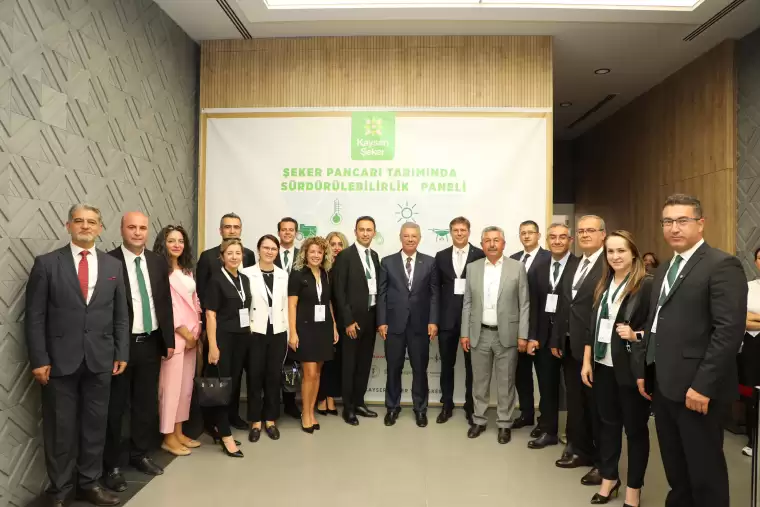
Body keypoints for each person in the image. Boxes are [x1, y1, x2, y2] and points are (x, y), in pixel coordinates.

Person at [638, 194, 746, 507]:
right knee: (676, 469)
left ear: (700, 224)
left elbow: (728, 332)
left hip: (697, 390)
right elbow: (656, 323)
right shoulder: (664, 269)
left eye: (682, 220)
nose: (674, 228)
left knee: (704, 472)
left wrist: (703, 386)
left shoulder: (721, 265)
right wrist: (646, 369)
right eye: (668, 221)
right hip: (664, 386)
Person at [25, 203, 129, 507]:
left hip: (101, 359)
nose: (85, 226)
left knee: (95, 426)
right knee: (60, 428)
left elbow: (121, 315)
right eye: (79, 221)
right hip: (58, 361)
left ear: (100, 228)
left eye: (92, 222)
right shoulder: (47, 264)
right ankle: (60, 489)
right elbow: (34, 317)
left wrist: (121, 351)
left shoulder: (113, 266)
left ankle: (89, 484)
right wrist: (39, 358)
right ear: (68, 225)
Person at [103, 212, 175, 492]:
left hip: (151, 342)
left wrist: (168, 339)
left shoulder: (157, 262)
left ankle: (140, 454)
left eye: (142, 228)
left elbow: (164, 302)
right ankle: (111, 466)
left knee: (145, 404)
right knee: (115, 408)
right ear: (121, 229)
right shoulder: (108, 261)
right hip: (120, 346)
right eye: (131, 227)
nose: (137, 232)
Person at [580, 231, 653, 507]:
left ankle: (634, 489)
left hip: (631, 370)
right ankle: (609, 478)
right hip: (602, 366)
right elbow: (593, 327)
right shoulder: (603, 284)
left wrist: (636, 335)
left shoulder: (646, 285)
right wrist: (587, 361)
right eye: (610, 251)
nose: (615, 256)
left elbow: (658, 328)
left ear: (633, 253)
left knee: (635, 431)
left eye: (621, 250)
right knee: (608, 427)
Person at [549, 215, 606, 486]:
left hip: (595, 348)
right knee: (576, 402)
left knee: (597, 406)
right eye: (581, 231)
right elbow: (564, 304)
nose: (584, 235)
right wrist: (557, 338)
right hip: (570, 345)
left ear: (603, 234)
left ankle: (602, 462)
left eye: (590, 230)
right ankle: (580, 450)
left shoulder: (609, 263)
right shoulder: (575, 263)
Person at [460, 226, 529, 444]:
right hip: (479, 333)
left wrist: (523, 335)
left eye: (496, 240)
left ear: (503, 244)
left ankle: (504, 424)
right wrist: (464, 333)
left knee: (506, 382)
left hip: (507, 334)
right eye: (487, 240)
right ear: (482, 245)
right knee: (479, 382)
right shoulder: (473, 268)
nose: (491, 244)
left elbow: (524, 304)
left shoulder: (517, 267)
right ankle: (479, 420)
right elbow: (467, 303)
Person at [196, 213, 256, 432]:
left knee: (236, 376)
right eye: (227, 227)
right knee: (218, 377)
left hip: (240, 331)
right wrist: (206, 333)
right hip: (219, 329)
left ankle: (232, 415)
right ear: (220, 230)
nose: (232, 230)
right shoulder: (208, 257)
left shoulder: (248, 257)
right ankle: (214, 423)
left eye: (236, 227)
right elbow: (202, 295)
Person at [377, 222, 439, 428]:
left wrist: (433, 320)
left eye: (414, 236)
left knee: (420, 369)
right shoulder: (387, 262)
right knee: (393, 368)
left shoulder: (430, 262)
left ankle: (420, 409)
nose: (410, 239)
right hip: (393, 325)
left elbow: (434, 295)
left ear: (419, 238)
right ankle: (392, 408)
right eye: (406, 236)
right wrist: (382, 321)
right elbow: (382, 294)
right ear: (400, 237)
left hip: (420, 325)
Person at [153, 225, 202, 457]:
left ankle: (179, 432)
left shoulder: (186, 271)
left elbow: (194, 301)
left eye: (180, 241)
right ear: (163, 243)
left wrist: (197, 331)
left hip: (192, 336)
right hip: (175, 337)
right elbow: (168, 307)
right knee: (170, 389)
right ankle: (168, 437)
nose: (176, 245)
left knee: (185, 389)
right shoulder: (161, 272)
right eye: (171, 240)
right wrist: (185, 333)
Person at [527, 223, 575, 450]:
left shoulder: (579, 266)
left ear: (570, 240)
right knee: (547, 388)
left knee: (574, 391)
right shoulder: (538, 268)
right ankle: (548, 430)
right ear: (547, 240)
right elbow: (534, 305)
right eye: (553, 237)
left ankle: (574, 435)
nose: (557, 241)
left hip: (569, 338)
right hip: (544, 339)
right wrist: (532, 336)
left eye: (562, 237)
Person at [434, 216, 485, 424]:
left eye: (463, 230)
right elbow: (435, 290)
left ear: (469, 232)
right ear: (450, 232)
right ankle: (446, 404)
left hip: (472, 320)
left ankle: (470, 406)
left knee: (473, 367)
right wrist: (434, 319)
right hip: (447, 320)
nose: (459, 233)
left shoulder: (480, 255)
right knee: (447, 365)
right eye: (455, 230)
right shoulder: (441, 256)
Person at [332, 217, 383, 425]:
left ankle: (359, 402)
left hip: (371, 317)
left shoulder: (374, 256)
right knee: (350, 365)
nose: (365, 233)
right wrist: (348, 321)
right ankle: (348, 408)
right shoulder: (345, 256)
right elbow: (339, 292)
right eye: (361, 229)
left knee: (364, 363)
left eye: (369, 230)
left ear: (374, 233)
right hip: (352, 321)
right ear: (355, 232)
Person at [205, 238, 252, 457]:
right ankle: (225, 435)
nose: (234, 257)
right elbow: (210, 315)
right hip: (223, 339)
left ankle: (219, 427)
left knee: (232, 386)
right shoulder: (216, 280)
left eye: (238, 253)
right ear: (222, 256)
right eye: (230, 253)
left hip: (241, 339)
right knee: (221, 388)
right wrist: (213, 346)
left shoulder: (244, 279)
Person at [287, 236, 340, 432]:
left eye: (319, 252)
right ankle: (305, 414)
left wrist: (333, 326)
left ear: (324, 254)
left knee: (317, 373)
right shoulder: (297, 274)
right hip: (305, 329)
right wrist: (292, 332)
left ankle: (310, 411)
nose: (316, 255)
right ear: (305, 253)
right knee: (308, 373)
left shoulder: (325, 274)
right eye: (312, 252)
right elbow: (292, 305)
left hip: (323, 328)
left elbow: (328, 303)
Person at [241, 235, 289, 442]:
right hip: (255, 331)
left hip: (277, 331)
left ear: (277, 252)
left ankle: (270, 419)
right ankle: (255, 421)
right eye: (266, 248)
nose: (269, 252)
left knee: (273, 377)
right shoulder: (246, 273)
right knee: (254, 376)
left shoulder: (283, 275)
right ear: (258, 249)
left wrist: (289, 331)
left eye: (273, 249)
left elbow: (286, 305)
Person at [509, 220, 551, 432]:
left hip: (541, 328)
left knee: (544, 378)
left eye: (530, 232)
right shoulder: (513, 259)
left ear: (538, 235)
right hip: (517, 328)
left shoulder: (549, 258)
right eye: (522, 233)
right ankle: (526, 414)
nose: (526, 236)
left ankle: (545, 420)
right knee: (521, 375)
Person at [317, 231, 348, 416]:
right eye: (333, 244)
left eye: (340, 244)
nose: (336, 248)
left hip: (343, 318)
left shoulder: (347, 266)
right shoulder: (321, 268)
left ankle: (331, 397)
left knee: (337, 361)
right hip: (324, 318)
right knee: (324, 360)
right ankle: (322, 397)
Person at [275, 217, 302, 419]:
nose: (287, 233)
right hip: (273, 314)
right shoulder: (269, 253)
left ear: (296, 233)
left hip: (297, 314)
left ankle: (290, 403)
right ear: (279, 233)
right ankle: (272, 402)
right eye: (284, 230)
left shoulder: (303, 255)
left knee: (292, 362)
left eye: (291, 230)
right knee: (273, 360)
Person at [742, 246, 760, 457]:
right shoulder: (748, 287)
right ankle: (752, 440)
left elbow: (750, 317)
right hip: (752, 344)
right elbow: (741, 318)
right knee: (751, 394)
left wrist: (754, 317)